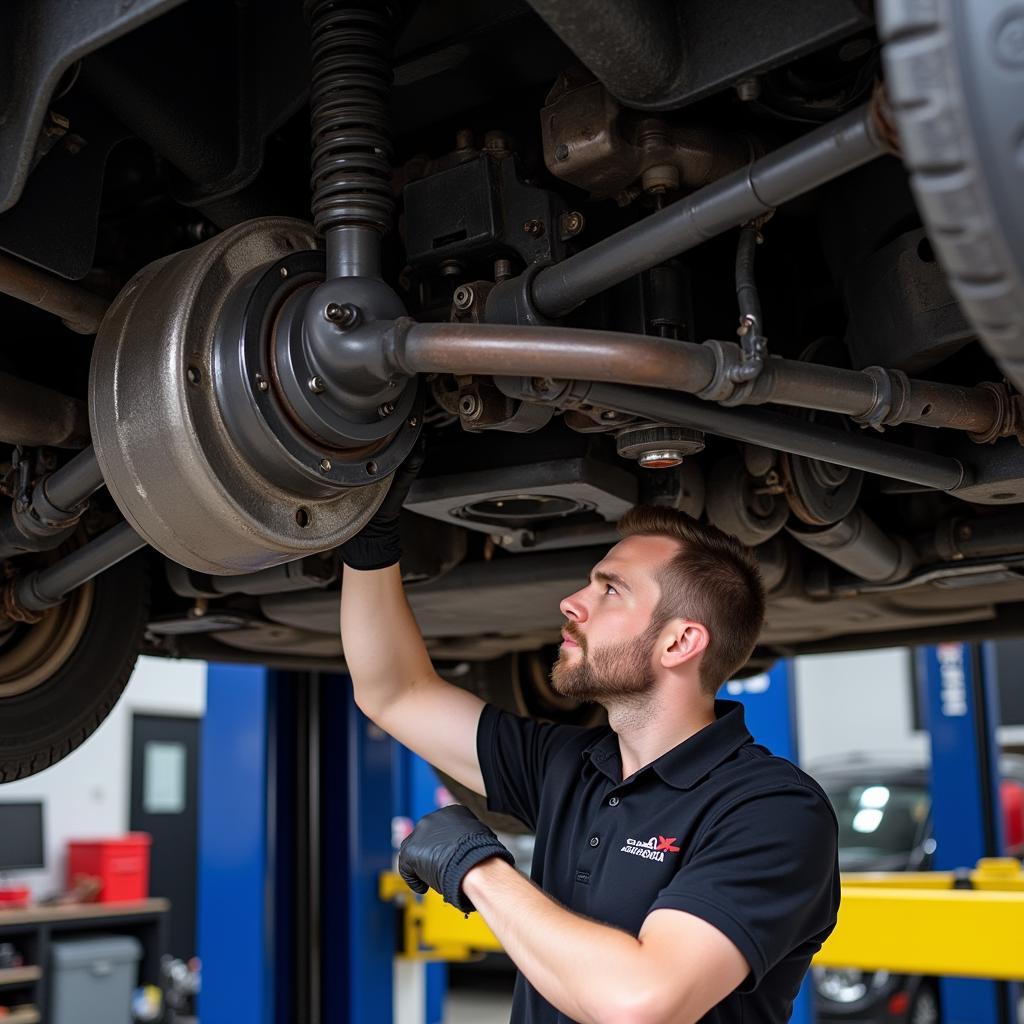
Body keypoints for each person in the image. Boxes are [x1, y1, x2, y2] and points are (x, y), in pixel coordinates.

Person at [339, 462, 839, 1024]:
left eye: (610, 589)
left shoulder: (771, 810)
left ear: (679, 642)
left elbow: (642, 1002)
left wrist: (477, 869)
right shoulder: (571, 766)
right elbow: (395, 692)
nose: (571, 603)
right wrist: (370, 538)